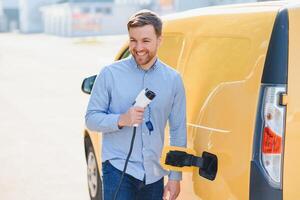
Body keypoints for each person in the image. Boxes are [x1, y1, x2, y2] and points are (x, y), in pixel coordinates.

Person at [85, 10, 187, 200]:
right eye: (133, 40)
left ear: (159, 40)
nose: (138, 47)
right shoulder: (109, 74)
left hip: (154, 173)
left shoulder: (173, 80)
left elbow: (178, 130)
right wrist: (122, 119)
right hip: (118, 170)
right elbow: (91, 119)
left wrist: (175, 177)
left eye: (146, 41)